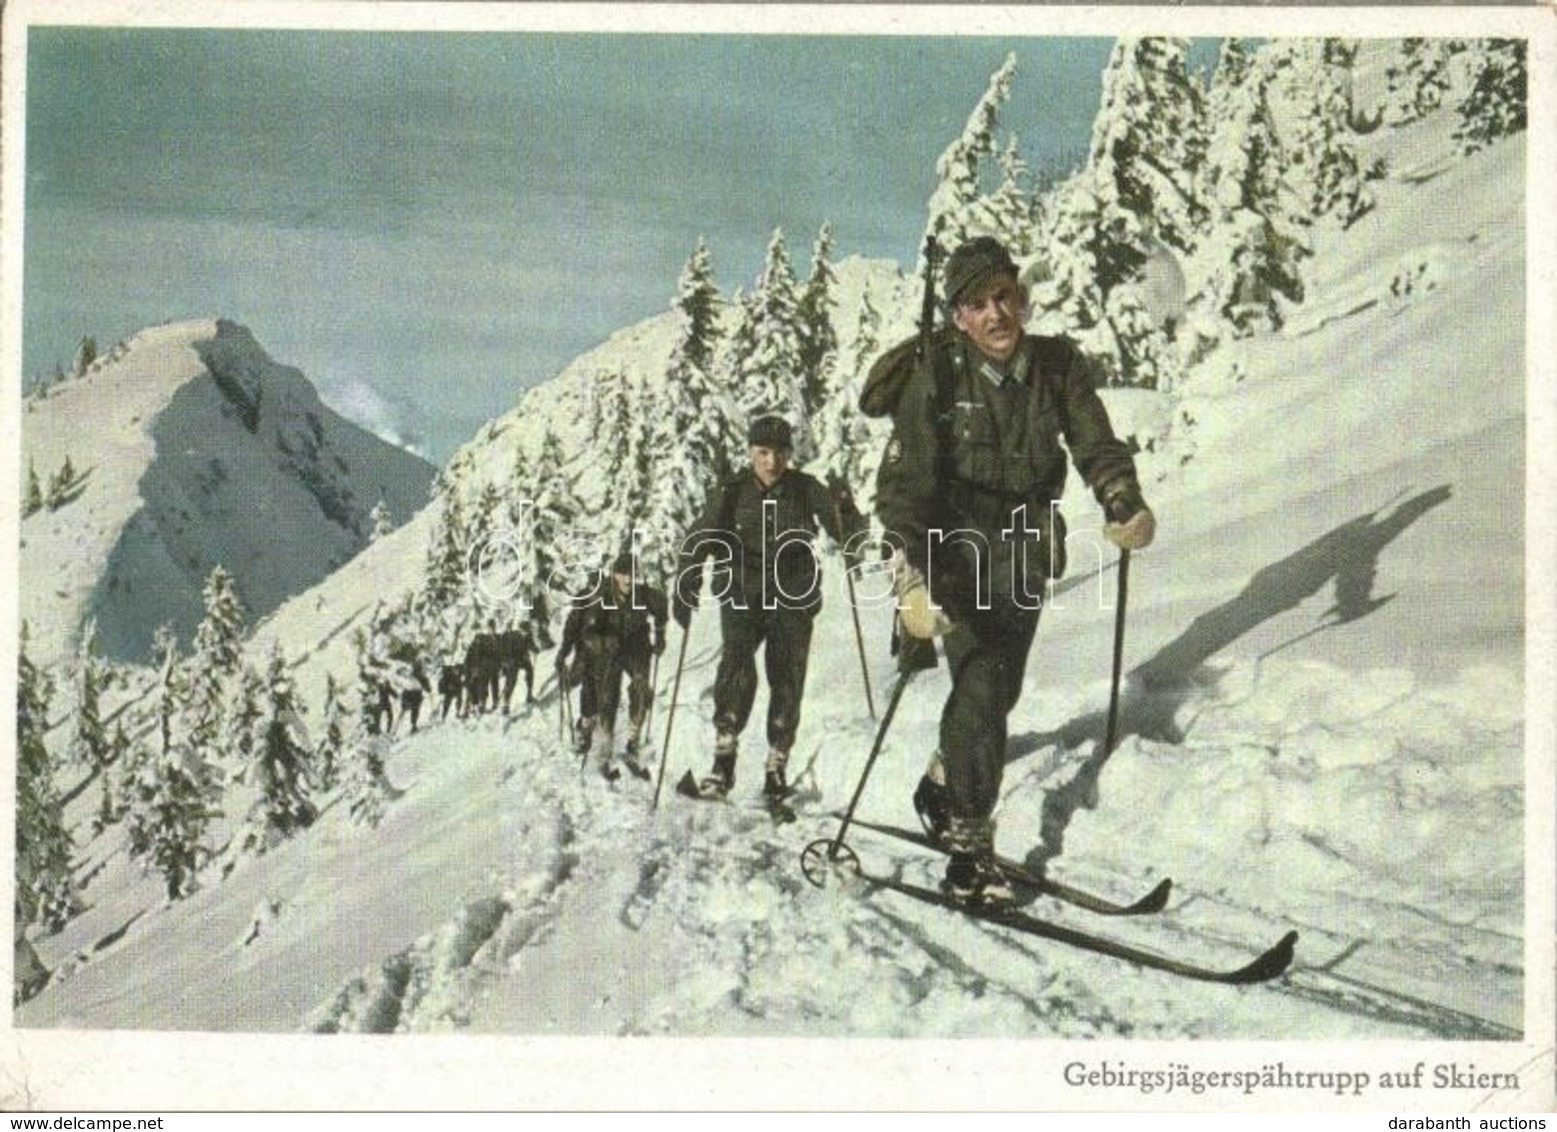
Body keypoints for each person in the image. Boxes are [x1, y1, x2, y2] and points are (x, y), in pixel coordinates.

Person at [869, 235, 1156, 905]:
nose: (995, 314)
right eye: (976, 304)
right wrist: (908, 579)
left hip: (1024, 546)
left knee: (1001, 691)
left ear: (1019, 297)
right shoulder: (935, 377)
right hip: (953, 549)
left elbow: (1094, 440)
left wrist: (1121, 499)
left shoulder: (1056, 366)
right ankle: (969, 851)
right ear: (957, 317)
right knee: (980, 683)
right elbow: (903, 491)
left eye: (1003, 296)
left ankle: (941, 785)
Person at [673, 414, 866, 801]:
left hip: (792, 594)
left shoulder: (806, 489)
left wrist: (846, 508)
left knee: (787, 675)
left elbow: (850, 536)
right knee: (736, 667)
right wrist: (687, 580)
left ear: (790, 454)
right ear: (750, 453)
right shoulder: (731, 491)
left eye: (779, 453)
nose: (772, 462)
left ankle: (777, 764)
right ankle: (722, 761)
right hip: (741, 591)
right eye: (763, 453)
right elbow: (701, 535)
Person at [556, 553, 668, 780]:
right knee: (606, 695)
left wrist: (660, 635)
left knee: (641, 687)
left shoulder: (643, 594)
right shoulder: (599, 596)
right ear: (614, 574)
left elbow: (662, 606)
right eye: (623, 574)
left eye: (632, 574)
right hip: (606, 650)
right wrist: (568, 652)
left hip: (636, 646)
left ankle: (634, 740)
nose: (628, 580)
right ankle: (599, 742)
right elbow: (585, 633)